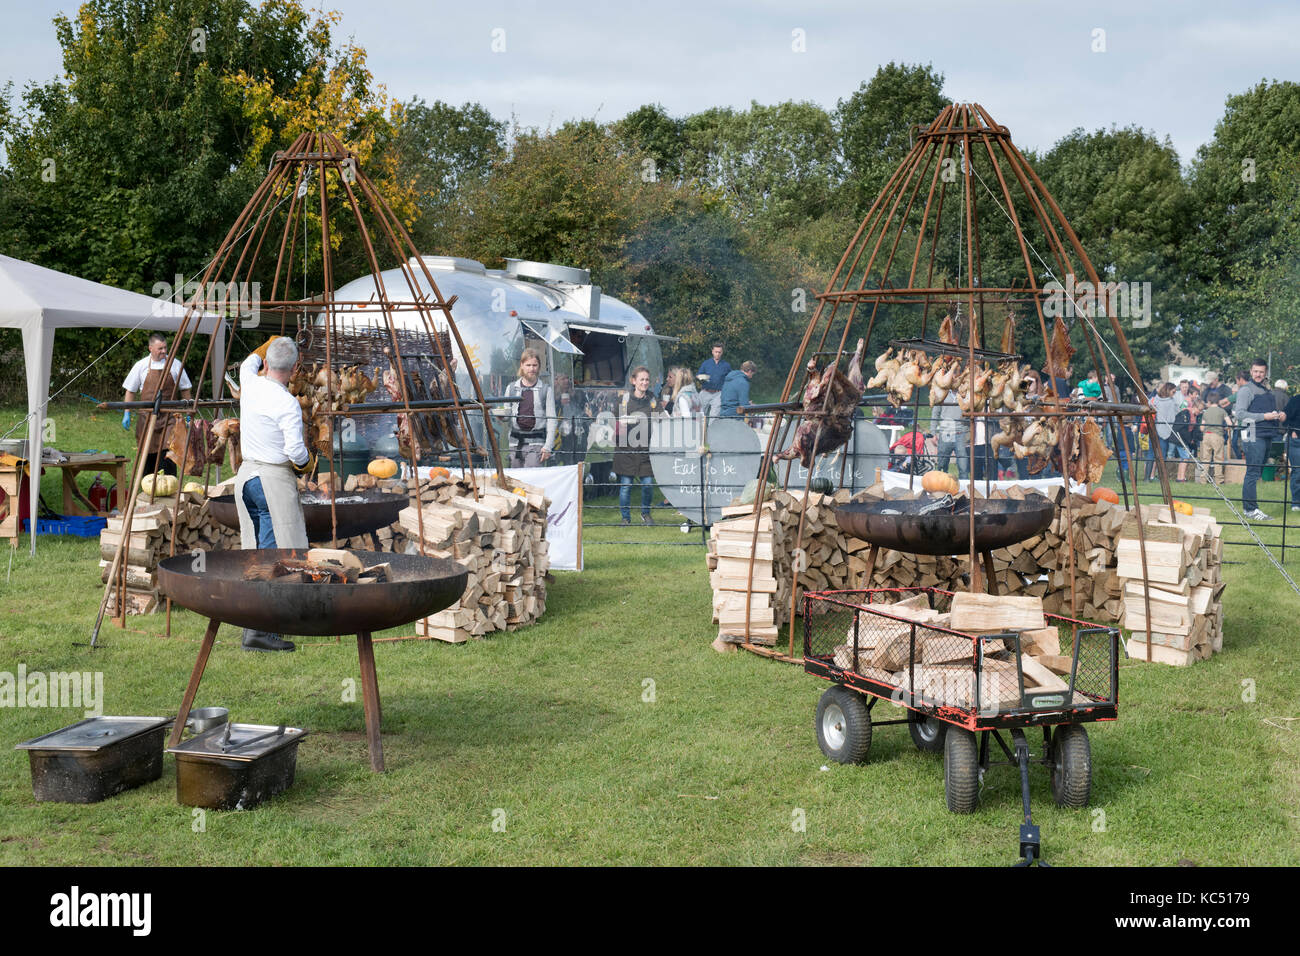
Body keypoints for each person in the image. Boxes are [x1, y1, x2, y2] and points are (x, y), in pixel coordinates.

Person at [235, 336, 310, 652]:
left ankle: (257, 625)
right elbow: (295, 451)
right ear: (295, 368)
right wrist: (306, 463)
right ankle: (259, 632)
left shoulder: (249, 381)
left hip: (246, 479)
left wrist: (270, 344)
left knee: (255, 552)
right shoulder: (287, 402)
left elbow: (249, 360)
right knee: (272, 555)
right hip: (271, 481)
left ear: (267, 363)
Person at [122, 332, 193, 476]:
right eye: (160, 348)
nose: (164, 351)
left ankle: (168, 488)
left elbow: (185, 389)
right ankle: (146, 491)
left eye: (165, 348)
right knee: (148, 456)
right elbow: (130, 391)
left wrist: (188, 413)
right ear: (150, 348)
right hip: (147, 419)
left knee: (168, 455)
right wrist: (126, 413)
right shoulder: (141, 365)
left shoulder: (175, 364)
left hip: (169, 418)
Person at [1236, 358, 1286, 520]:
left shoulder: (1266, 390)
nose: (1258, 374)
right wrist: (1265, 416)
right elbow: (1240, 414)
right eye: (1255, 371)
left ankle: (1250, 508)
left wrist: (1278, 415)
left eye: (1261, 372)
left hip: (1266, 435)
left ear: (1266, 373)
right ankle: (1250, 510)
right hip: (1252, 435)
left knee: (1256, 472)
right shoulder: (1246, 390)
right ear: (1251, 372)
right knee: (1252, 472)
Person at [613, 367, 657, 525]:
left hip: (646, 451)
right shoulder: (623, 400)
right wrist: (621, 424)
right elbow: (613, 422)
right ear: (633, 381)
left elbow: (661, 416)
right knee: (626, 486)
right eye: (641, 379)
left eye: (646, 380)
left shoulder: (652, 399)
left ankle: (646, 514)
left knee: (648, 485)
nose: (644, 382)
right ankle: (625, 518)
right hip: (626, 451)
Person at [501, 349, 556, 468]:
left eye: (535, 365)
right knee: (516, 480)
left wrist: (548, 447)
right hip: (515, 443)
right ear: (522, 365)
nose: (532, 369)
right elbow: (506, 415)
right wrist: (501, 416)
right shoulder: (511, 388)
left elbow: (552, 420)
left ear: (539, 367)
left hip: (536, 443)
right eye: (528, 365)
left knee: (532, 479)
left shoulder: (546, 390)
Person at [933, 390, 968, 479]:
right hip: (946, 432)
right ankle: (941, 487)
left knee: (963, 466)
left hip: (961, 432)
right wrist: (933, 433)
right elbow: (935, 413)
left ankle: (965, 488)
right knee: (942, 464)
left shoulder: (966, 394)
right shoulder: (942, 394)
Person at [1148, 382, 1179, 482]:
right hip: (1159, 430)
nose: (1174, 394)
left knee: (1154, 454)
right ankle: (1155, 476)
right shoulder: (1169, 402)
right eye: (1173, 391)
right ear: (1168, 390)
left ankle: (1151, 476)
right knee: (1160, 454)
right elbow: (1175, 414)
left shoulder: (1155, 400)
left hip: (1156, 429)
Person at [1198, 396, 1232, 484]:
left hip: (1206, 436)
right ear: (1218, 401)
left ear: (1209, 401)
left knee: (1205, 459)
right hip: (1217, 436)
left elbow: (1202, 428)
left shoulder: (1206, 412)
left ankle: (1203, 480)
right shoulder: (1222, 411)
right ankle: (1219, 480)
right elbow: (1230, 424)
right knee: (1218, 458)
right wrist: (1224, 429)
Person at [696, 343, 731, 418]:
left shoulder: (726, 365)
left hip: (718, 394)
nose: (717, 354)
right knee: (699, 415)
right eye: (716, 352)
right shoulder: (706, 363)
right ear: (712, 351)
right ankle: (699, 429)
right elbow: (698, 375)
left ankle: (711, 429)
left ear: (722, 352)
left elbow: (730, 379)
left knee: (714, 416)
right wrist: (701, 377)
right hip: (705, 392)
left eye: (719, 352)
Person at [1284, 390, 1300, 511]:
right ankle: (1296, 502)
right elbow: (1285, 417)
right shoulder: (1295, 400)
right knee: (1298, 471)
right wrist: (1293, 431)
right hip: (1296, 441)